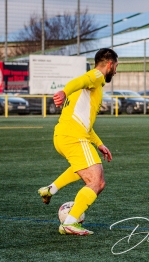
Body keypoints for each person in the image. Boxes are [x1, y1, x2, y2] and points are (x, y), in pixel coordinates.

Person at [38, 48, 118, 235]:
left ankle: (50, 190)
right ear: (110, 64)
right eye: (116, 67)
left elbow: (85, 124)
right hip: (73, 137)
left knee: (84, 168)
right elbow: (78, 81)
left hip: (64, 136)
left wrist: (99, 144)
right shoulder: (96, 76)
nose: (116, 71)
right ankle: (70, 222)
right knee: (97, 181)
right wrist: (64, 91)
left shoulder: (91, 87)